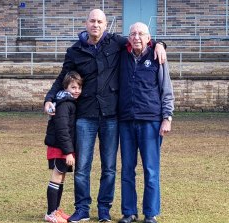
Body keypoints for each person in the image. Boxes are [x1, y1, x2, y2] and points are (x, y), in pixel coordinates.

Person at [44, 9, 166, 223]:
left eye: (100, 21)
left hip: (111, 116)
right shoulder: (75, 51)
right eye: (92, 21)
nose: (96, 25)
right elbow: (62, 77)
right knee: (82, 166)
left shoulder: (115, 42)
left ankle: (104, 210)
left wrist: (159, 44)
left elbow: (139, 39)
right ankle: (82, 208)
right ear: (86, 23)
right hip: (85, 116)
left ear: (106, 24)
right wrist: (49, 98)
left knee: (109, 167)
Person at [117, 22, 175, 223]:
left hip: (151, 121)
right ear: (128, 38)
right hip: (126, 121)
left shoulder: (157, 56)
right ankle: (129, 212)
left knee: (151, 170)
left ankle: (150, 213)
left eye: (141, 34)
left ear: (149, 38)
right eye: (132, 34)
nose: (136, 37)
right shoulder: (122, 55)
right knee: (127, 169)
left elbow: (166, 89)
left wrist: (167, 118)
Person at [44, 71, 83, 223]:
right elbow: (62, 129)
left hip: (64, 147)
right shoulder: (65, 104)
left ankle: (56, 210)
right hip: (60, 147)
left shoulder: (69, 102)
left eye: (79, 87)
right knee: (57, 176)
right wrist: (68, 152)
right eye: (73, 87)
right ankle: (50, 213)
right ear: (66, 87)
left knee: (61, 177)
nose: (77, 91)